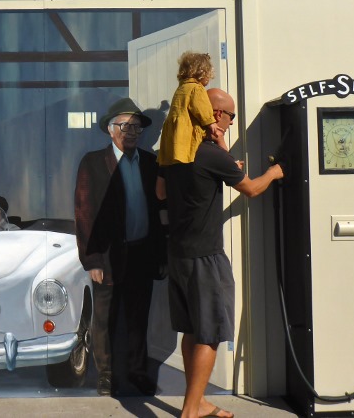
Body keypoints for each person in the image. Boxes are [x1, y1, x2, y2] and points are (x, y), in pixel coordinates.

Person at [160, 88, 283, 418]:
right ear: (214, 114)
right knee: (211, 333)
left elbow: (161, 191)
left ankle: (198, 402)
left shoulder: (173, 150)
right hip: (206, 258)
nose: (231, 122)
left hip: (180, 254)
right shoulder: (211, 155)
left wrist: (221, 159)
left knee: (191, 330)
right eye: (230, 116)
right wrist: (274, 172)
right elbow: (252, 189)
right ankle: (190, 411)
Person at [74, 97, 166, 397]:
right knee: (104, 318)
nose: (132, 131)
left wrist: (160, 255)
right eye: (125, 126)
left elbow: (157, 210)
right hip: (109, 256)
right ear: (111, 130)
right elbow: (84, 213)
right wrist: (93, 260)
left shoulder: (151, 163)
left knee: (139, 317)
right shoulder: (92, 162)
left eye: (137, 127)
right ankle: (105, 374)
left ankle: (137, 372)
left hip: (142, 252)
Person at [158, 51, 217, 167]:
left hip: (175, 133)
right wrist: (211, 122)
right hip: (188, 131)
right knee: (189, 152)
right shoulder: (196, 88)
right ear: (202, 73)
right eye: (208, 75)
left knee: (178, 149)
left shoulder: (182, 87)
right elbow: (201, 107)